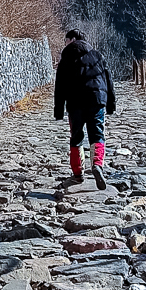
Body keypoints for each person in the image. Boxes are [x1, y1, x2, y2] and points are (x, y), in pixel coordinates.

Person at [54, 29, 116, 189]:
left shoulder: (66, 57)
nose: (65, 44)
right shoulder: (97, 55)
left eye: (66, 40)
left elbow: (59, 85)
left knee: (76, 137)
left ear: (72, 39)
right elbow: (108, 80)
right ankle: (97, 165)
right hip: (96, 100)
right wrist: (110, 104)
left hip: (75, 102)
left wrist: (59, 110)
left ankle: (78, 174)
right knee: (97, 134)